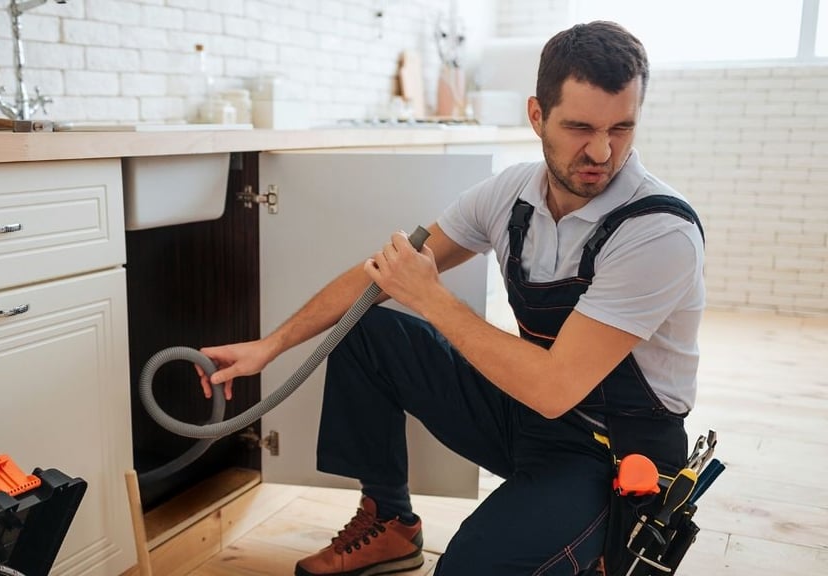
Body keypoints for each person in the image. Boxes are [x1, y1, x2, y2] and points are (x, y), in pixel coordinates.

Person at [197, 20, 705, 576]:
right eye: (580, 127)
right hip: (530, 417)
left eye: (621, 128)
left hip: (613, 452)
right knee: (364, 331)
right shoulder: (511, 194)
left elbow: (555, 388)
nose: (602, 151)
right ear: (537, 115)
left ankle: (595, 543)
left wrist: (430, 297)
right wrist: (268, 347)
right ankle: (389, 522)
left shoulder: (658, 231)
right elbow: (380, 276)